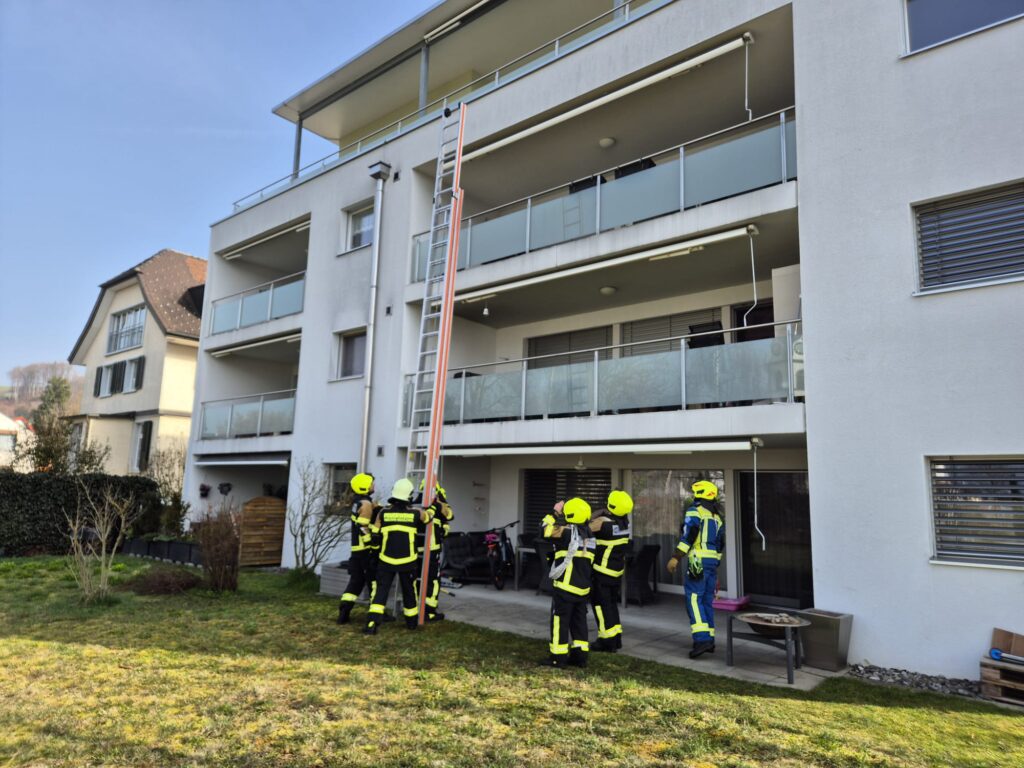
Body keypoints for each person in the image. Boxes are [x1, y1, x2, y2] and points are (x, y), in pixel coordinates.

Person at [364, 478, 434, 635]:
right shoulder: (416, 513)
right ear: (409, 495)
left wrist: (374, 553)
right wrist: (431, 506)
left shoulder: (383, 513)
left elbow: (375, 535)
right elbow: (429, 518)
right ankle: (411, 623)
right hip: (408, 561)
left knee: (381, 591)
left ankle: (371, 623)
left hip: (385, 560)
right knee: (409, 591)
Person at [666, 480, 725, 658]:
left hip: (697, 561)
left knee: (693, 600)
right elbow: (720, 544)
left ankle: (702, 640)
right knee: (706, 601)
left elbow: (689, 536)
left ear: (699, 494)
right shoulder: (717, 517)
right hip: (712, 563)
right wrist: (715, 565)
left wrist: (676, 557)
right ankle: (710, 639)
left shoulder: (695, 511)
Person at [543, 497, 595, 668]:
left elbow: (543, 530)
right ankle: (580, 657)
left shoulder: (565, 532)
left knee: (560, 622)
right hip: (582, 589)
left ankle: (558, 657)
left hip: (565, 588)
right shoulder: (591, 536)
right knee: (579, 622)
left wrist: (555, 513)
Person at [588, 489, 634, 652]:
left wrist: (597, 514)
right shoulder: (625, 523)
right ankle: (616, 637)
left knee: (600, 606)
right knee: (611, 605)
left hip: (601, 572)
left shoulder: (603, 522)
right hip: (616, 572)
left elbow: (583, 527)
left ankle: (606, 641)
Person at [336, 473, 381, 624]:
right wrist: (372, 545)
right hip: (365, 550)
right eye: (371, 483)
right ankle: (376, 614)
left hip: (356, 550)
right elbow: (363, 527)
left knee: (356, 581)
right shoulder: (366, 504)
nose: (373, 485)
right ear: (364, 486)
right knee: (374, 581)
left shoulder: (359, 502)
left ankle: (344, 611)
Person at [415, 480, 453, 622]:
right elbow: (450, 515)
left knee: (417, 579)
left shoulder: (414, 503)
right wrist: (443, 500)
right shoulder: (437, 505)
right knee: (433, 580)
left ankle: (416, 607)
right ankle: (429, 611)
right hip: (431, 549)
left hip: (416, 549)